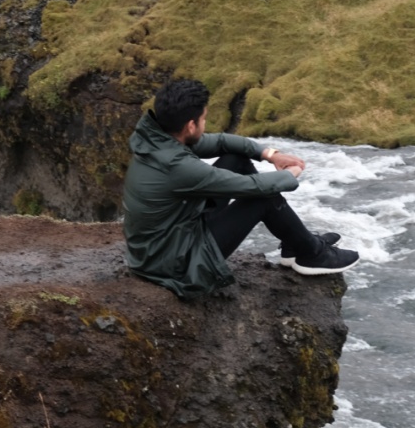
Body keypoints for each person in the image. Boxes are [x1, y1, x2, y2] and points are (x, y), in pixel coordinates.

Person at [122, 79, 359, 298]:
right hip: (175, 264)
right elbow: (252, 186)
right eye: (204, 119)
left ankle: (298, 244)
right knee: (262, 199)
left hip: (165, 242)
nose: (206, 125)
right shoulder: (177, 165)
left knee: (236, 160)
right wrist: (290, 174)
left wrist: (271, 154)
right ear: (190, 125)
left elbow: (223, 142)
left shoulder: (158, 138)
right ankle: (310, 253)